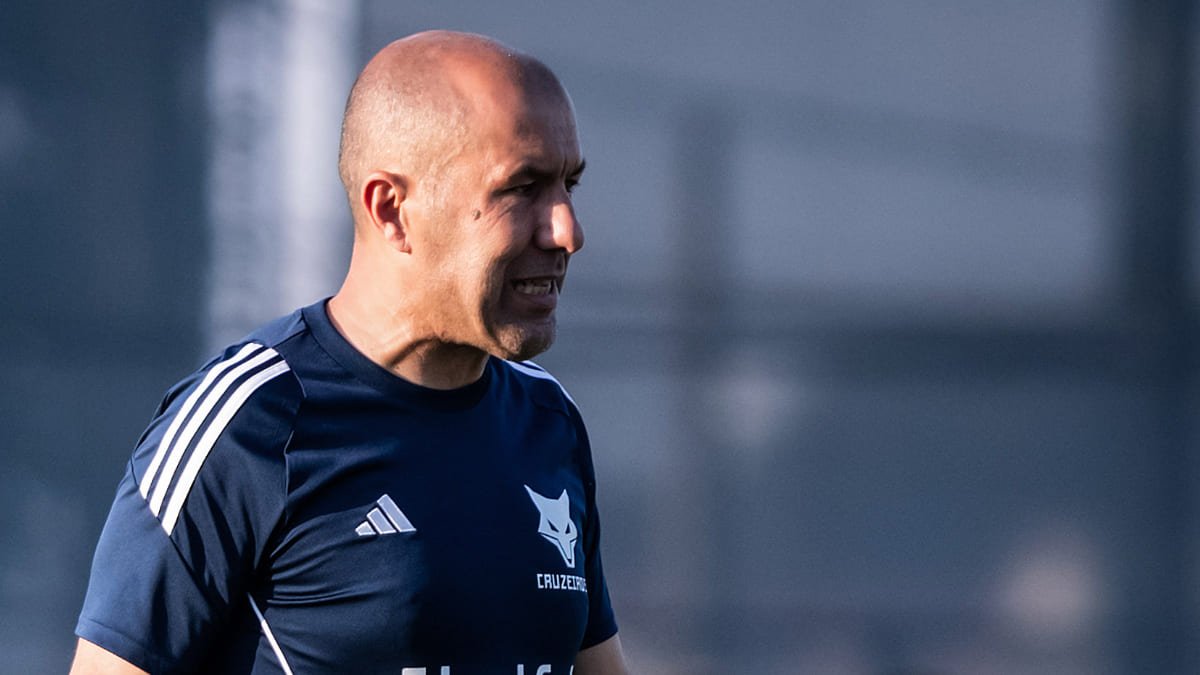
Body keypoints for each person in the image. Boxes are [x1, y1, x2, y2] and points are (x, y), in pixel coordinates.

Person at [70, 30, 628, 674]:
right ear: (391, 209)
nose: (567, 231)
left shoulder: (548, 421)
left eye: (569, 186)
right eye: (522, 187)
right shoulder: (246, 426)